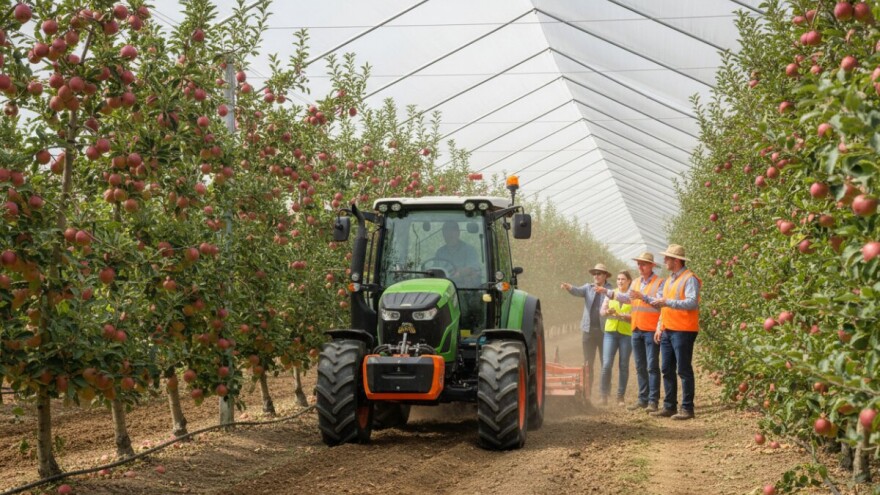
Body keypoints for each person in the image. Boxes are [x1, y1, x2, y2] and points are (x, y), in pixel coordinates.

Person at [631, 244, 701, 420]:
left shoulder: (689, 278)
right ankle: (669, 406)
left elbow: (692, 302)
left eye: (667, 259)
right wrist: (660, 325)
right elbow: (662, 305)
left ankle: (687, 408)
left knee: (683, 370)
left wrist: (669, 302)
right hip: (668, 329)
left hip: (684, 330)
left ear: (676, 261)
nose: (664, 261)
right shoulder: (670, 280)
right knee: (666, 369)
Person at [604, 252, 664, 412]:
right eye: (638, 264)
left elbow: (660, 304)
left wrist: (643, 296)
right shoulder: (636, 282)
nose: (640, 266)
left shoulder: (659, 283)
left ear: (652, 266)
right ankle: (642, 399)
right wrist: (608, 293)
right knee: (639, 366)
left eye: (643, 264)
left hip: (650, 329)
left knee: (652, 366)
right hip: (636, 329)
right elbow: (627, 299)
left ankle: (653, 401)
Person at [561, 263, 612, 402]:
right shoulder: (588, 288)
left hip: (605, 332)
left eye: (599, 273)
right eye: (594, 273)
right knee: (588, 364)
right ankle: (587, 394)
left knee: (605, 364)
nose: (596, 275)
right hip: (588, 331)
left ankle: (604, 394)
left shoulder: (610, 290)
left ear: (605, 276)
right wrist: (568, 287)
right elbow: (577, 291)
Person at [599, 270, 633, 406]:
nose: (620, 282)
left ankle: (620, 397)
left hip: (626, 334)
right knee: (606, 364)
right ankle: (603, 395)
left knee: (623, 365)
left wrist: (625, 316)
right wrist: (606, 312)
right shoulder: (610, 293)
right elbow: (602, 311)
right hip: (610, 333)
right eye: (618, 279)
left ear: (629, 281)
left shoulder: (632, 296)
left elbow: (636, 315)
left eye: (623, 279)